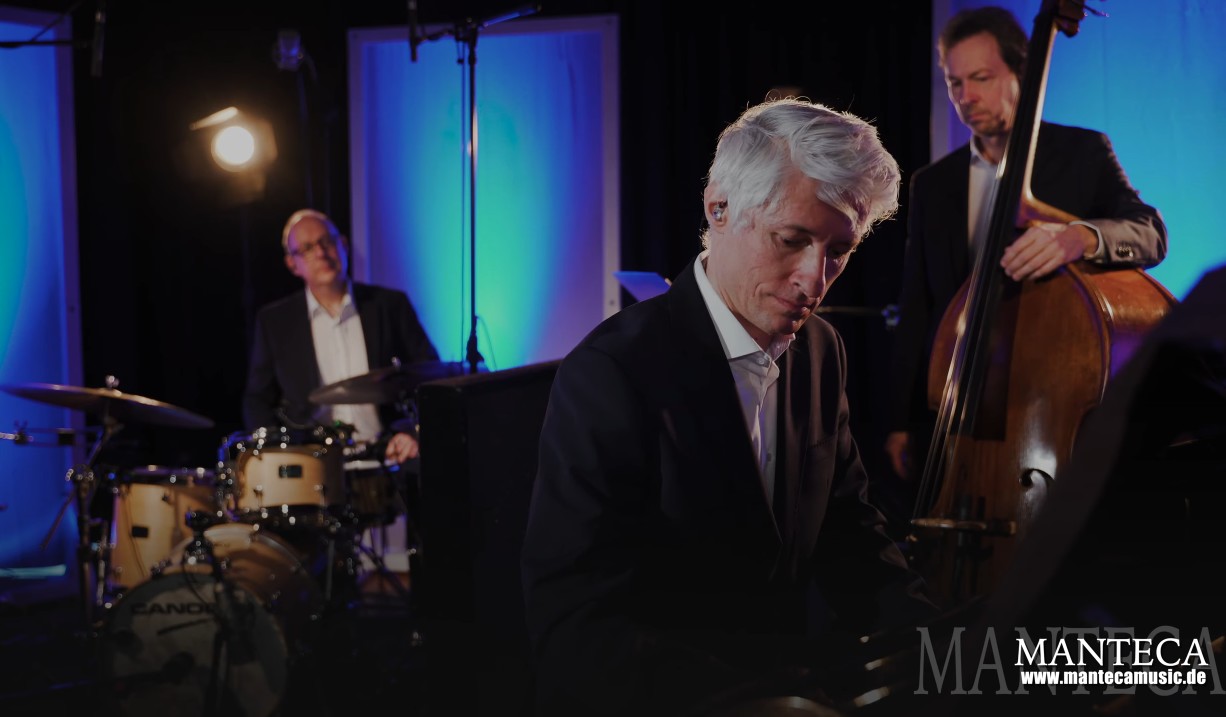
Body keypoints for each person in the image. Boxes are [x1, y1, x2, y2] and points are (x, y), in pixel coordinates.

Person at [520, 98, 937, 717]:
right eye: (791, 240)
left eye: (838, 250)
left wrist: (947, 657)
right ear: (719, 208)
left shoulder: (821, 349)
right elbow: (576, 624)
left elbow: (852, 537)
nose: (814, 279)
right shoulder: (612, 372)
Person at [884, 6, 1168, 488]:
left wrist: (1080, 236)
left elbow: (1150, 232)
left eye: (981, 78)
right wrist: (900, 420)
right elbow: (919, 307)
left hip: (1047, 405)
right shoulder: (932, 185)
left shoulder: (1083, 152)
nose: (966, 97)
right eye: (955, 83)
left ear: (1021, 72)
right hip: (958, 408)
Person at [242, 208, 439, 479]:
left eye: (327, 241)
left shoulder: (390, 305)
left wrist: (412, 430)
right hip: (313, 472)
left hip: (388, 462)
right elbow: (257, 400)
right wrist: (280, 455)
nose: (321, 253)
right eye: (307, 248)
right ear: (292, 264)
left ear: (344, 244)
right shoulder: (274, 321)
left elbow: (431, 376)